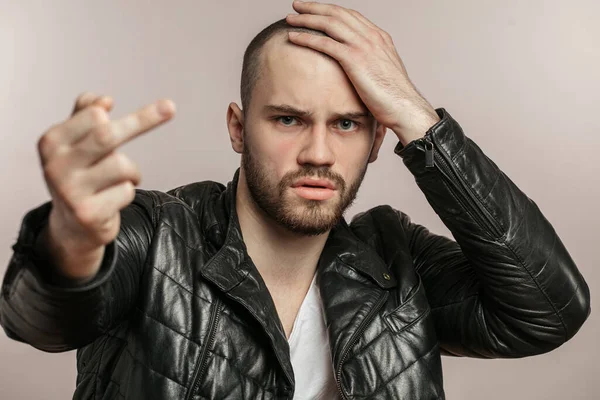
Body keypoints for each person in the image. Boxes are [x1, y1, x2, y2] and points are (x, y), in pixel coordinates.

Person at [0, 2, 591, 399]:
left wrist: (419, 117)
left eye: (348, 124)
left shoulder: (396, 261)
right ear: (237, 128)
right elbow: (39, 321)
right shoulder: (157, 232)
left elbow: (549, 311)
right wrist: (72, 242)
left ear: (379, 138)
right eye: (287, 119)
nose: (318, 152)